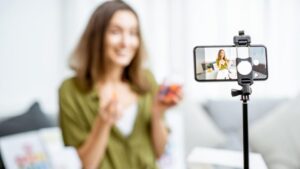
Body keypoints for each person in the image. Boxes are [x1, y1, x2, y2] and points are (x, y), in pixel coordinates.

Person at [58, 1, 182, 169]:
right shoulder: (70, 90)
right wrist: (103, 122)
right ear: (97, 36)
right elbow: (88, 164)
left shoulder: (146, 80)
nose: (126, 42)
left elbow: (160, 153)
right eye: (115, 32)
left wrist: (157, 113)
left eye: (133, 33)